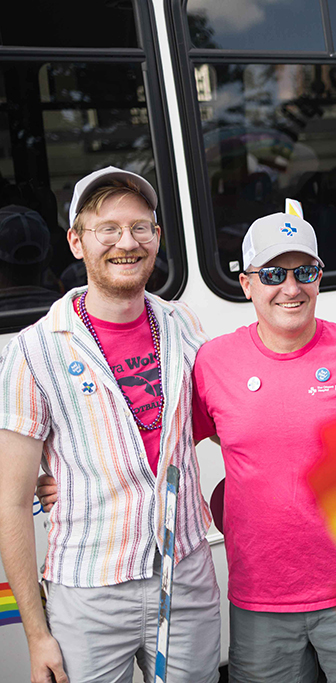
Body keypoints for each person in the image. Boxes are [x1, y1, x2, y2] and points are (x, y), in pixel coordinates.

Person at [0, 166, 220, 683]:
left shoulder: (182, 324)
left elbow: (210, 426)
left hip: (185, 577)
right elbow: (11, 500)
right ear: (76, 241)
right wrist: (36, 634)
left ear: (157, 238)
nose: (128, 242)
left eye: (140, 227)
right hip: (89, 593)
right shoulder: (35, 349)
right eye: (108, 229)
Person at [190, 213, 336, 682]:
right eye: (273, 274)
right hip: (261, 598)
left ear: (319, 278)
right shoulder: (213, 362)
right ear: (246, 284)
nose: (291, 288)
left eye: (305, 272)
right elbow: (171, 445)